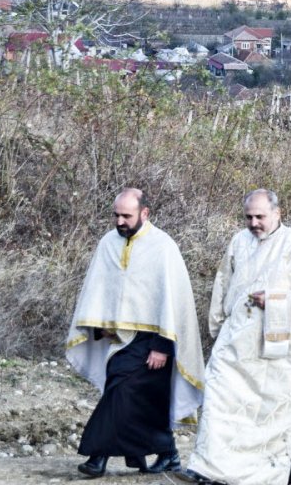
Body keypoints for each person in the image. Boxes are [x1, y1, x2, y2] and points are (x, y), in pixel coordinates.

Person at [180, 190, 291, 485]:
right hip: (236, 342)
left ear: (277, 213)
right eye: (249, 217)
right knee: (218, 394)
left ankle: (273, 472)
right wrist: (219, 327)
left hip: (279, 351)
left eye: (260, 216)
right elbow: (223, 284)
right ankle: (210, 467)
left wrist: (274, 299)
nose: (254, 223)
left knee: (272, 415)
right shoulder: (239, 241)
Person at [66, 189, 205, 479]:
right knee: (141, 401)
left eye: (126, 216)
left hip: (153, 342)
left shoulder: (163, 246)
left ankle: (97, 457)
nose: (120, 221)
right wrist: (99, 325)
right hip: (119, 339)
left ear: (145, 213)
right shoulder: (108, 242)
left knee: (122, 391)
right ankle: (167, 454)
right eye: (116, 215)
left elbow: (171, 302)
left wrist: (163, 346)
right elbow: (101, 287)